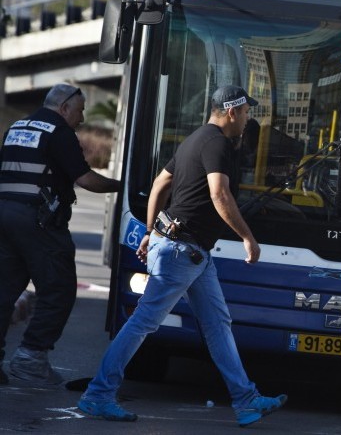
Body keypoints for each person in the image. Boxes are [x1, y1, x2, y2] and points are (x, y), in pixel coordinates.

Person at [78, 86, 286, 427]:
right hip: (182, 251)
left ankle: (247, 401)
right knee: (144, 322)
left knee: (218, 324)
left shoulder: (195, 139)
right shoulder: (218, 143)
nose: (249, 120)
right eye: (247, 112)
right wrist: (248, 237)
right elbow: (219, 193)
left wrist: (148, 231)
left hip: (188, 251)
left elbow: (161, 184)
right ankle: (97, 395)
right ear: (232, 111)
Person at [0, 83, 121, 386]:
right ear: (64, 107)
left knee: (4, 290)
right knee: (59, 288)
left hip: (5, 217)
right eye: (80, 110)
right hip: (38, 223)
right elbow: (87, 179)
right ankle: (30, 359)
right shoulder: (59, 132)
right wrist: (124, 185)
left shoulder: (17, 127)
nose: (81, 118)